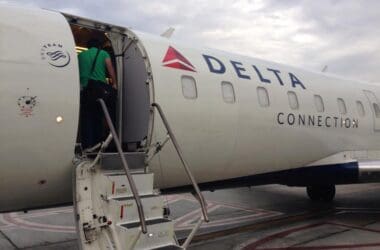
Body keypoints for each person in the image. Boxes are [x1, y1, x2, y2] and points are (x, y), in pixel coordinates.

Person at [78, 39, 117, 149]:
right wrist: (114, 83)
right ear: (98, 46)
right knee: (98, 117)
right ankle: (97, 144)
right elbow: (110, 69)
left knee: (86, 118)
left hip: (85, 89)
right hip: (98, 90)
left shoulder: (80, 55)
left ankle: (87, 145)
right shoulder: (103, 53)